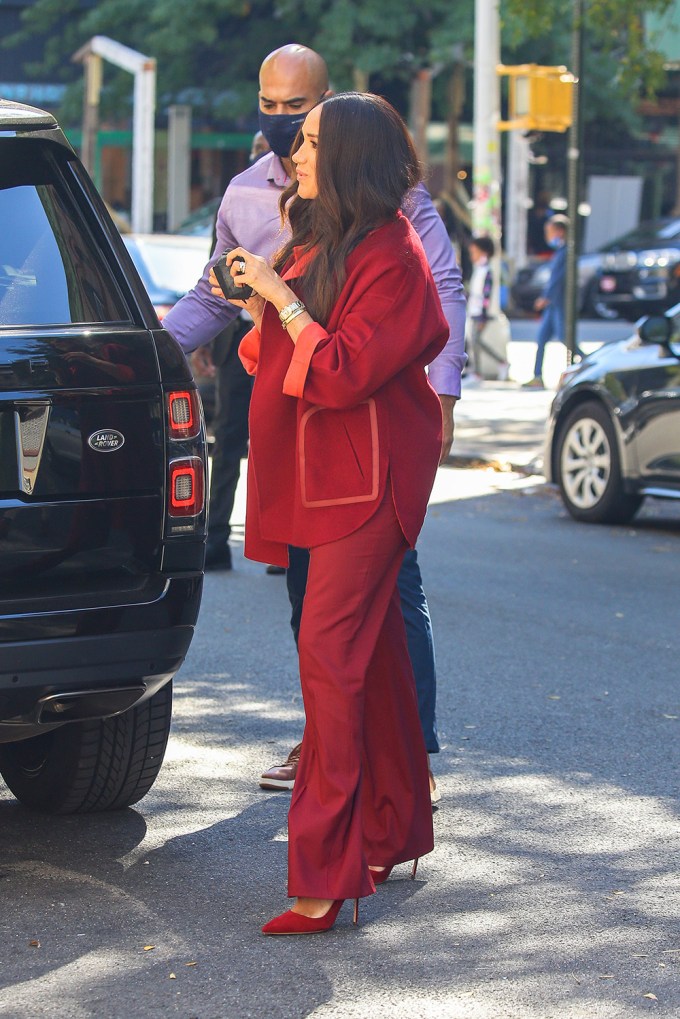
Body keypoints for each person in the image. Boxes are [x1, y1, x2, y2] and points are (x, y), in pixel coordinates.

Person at [161, 44, 466, 795]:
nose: (283, 126)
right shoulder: (243, 196)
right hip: (297, 435)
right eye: (270, 105)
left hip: (363, 430)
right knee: (313, 607)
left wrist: (445, 391)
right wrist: (146, 353)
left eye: (299, 112)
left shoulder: (374, 191)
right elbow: (214, 298)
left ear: (328, 106)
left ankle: (405, 763)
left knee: (386, 601)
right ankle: (330, 741)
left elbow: (436, 284)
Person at [213, 92, 448, 934]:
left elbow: (344, 370)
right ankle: (391, 827)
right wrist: (261, 300)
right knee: (370, 652)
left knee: (329, 656)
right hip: (322, 473)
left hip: (369, 479)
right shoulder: (325, 236)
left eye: (310, 140)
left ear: (348, 155)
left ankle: (326, 871)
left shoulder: (398, 253)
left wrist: (280, 294)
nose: (294, 151)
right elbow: (278, 348)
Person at [524, 214, 583, 388]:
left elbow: (558, 279)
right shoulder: (561, 251)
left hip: (559, 302)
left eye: (549, 232)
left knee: (566, 338)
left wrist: (546, 297)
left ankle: (587, 363)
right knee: (541, 338)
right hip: (552, 304)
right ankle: (537, 376)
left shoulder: (567, 252)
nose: (548, 236)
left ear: (560, 231)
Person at [464, 235, 509, 382]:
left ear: (483, 252)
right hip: (473, 312)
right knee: (473, 342)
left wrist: (483, 315)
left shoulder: (486, 271)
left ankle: (499, 363)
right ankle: (476, 371)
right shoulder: (479, 269)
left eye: (474, 252)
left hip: (480, 313)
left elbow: (486, 295)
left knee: (477, 341)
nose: (472, 256)